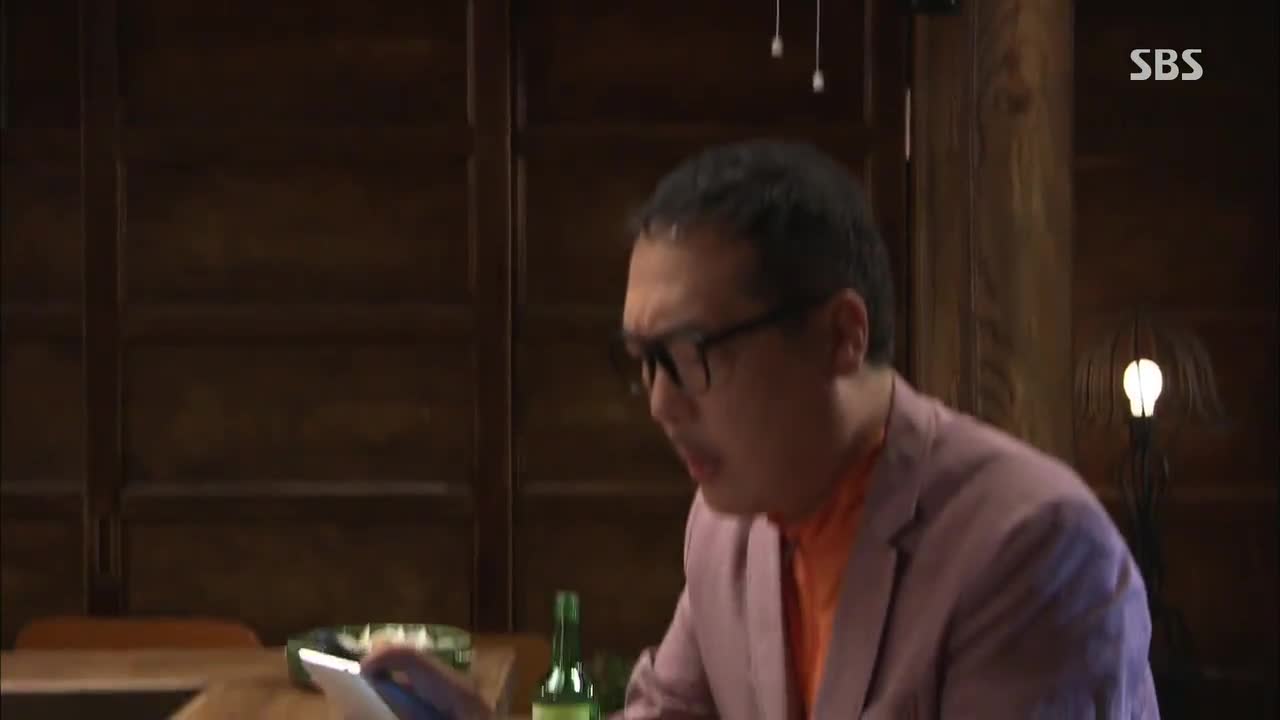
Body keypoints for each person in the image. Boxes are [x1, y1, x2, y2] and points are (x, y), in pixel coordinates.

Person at [361, 140, 1160, 719]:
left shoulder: (1033, 547)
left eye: (691, 356)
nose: (660, 404)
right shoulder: (726, 527)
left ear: (841, 336)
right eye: (642, 361)